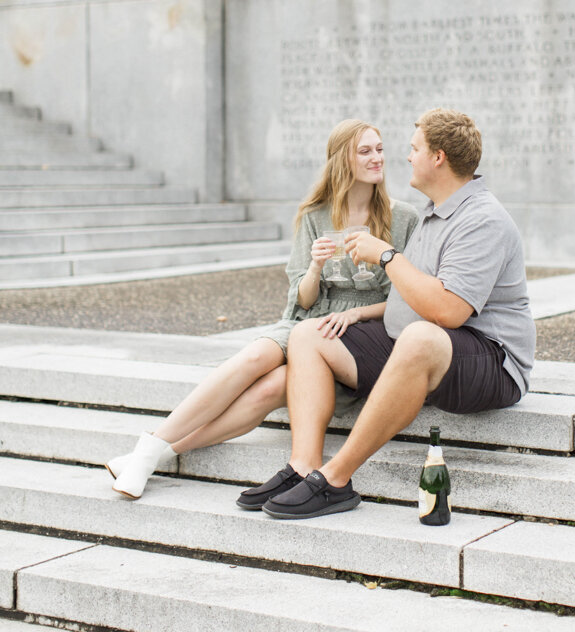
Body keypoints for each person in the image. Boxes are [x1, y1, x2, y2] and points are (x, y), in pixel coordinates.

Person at [241, 107, 536, 520]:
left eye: (414, 149)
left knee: (419, 338)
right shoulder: (435, 213)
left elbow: (448, 311)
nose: (407, 157)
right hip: (421, 345)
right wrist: (359, 315)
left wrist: (385, 254)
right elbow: (411, 297)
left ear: (438, 158)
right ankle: (302, 466)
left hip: (493, 361)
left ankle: (336, 480)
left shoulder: (481, 219)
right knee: (309, 334)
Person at [108, 118, 418, 500]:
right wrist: (316, 267)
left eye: (380, 149)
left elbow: (410, 293)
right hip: (309, 320)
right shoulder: (314, 216)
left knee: (271, 388)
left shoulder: (403, 217)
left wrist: (355, 314)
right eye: (365, 151)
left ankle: (154, 452)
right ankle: (150, 448)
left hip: (358, 333)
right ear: (343, 160)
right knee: (256, 354)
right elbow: (302, 300)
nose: (377, 158)